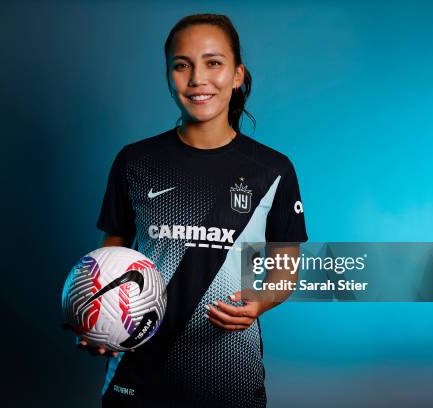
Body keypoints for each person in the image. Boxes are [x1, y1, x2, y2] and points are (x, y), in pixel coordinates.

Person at [76, 13, 307, 408]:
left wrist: (261, 300)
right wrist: (96, 317)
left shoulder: (272, 170)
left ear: (237, 75)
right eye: (182, 65)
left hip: (230, 375)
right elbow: (109, 254)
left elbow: (286, 265)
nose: (198, 78)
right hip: (139, 373)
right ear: (169, 77)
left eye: (213, 63)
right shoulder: (135, 161)